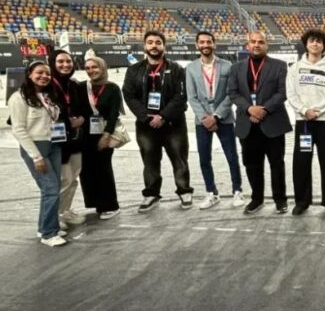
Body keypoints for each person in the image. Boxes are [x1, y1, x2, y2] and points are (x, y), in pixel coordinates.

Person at [123, 31, 193, 212]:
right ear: (145, 46)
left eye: (158, 42)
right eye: (150, 42)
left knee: (179, 159)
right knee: (150, 161)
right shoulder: (134, 70)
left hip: (173, 124)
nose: (154, 45)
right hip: (146, 125)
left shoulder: (176, 69)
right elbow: (129, 96)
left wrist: (163, 116)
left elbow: (181, 96)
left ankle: (184, 190)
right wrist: (147, 117)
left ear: (164, 46)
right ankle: (151, 194)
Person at [228, 31, 292, 215]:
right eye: (253, 42)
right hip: (247, 124)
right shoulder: (236, 68)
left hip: (272, 122)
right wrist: (250, 108)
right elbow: (233, 93)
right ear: (247, 45)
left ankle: (280, 200)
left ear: (267, 45)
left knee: (277, 164)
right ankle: (257, 199)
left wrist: (263, 109)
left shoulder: (279, 66)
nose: (256, 45)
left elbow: (283, 92)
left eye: (261, 42)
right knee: (251, 164)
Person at [9, 61, 67, 246]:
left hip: (54, 144)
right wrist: (36, 156)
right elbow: (18, 129)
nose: (44, 76)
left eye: (47, 74)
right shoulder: (18, 98)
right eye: (39, 73)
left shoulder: (48, 96)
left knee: (52, 189)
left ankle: (45, 227)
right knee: (50, 188)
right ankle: (49, 234)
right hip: (36, 147)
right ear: (29, 74)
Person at [186, 31, 244, 210]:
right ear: (197, 45)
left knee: (232, 156)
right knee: (204, 158)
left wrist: (216, 115)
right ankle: (212, 193)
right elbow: (191, 96)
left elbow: (231, 93)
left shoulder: (227, 66)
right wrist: (205, 117)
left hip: (224, 118)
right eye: (202, 42)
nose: (205, 45)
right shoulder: (191, 68)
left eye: (208, 42)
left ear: (214, 44)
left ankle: (237, 191)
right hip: (202, 120)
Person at [286, 28, 325, 217]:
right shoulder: (294, 68)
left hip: (324, 122)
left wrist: (316, 111)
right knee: (301, 163)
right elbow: (291, 94)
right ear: (306, 44)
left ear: (324, 46)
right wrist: (304, 111)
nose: (315, 44)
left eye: (319, 41)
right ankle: (302, 201)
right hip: (304, 124)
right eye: (312, 40)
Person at [78, 56, 122, 220]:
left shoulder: (112, 88)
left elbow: (114, 114)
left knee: (103, 169)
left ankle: (110, 205)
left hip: (104, 134)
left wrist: (106, 135)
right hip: (85, 135)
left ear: (102, 68)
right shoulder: (82, 87)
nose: (91, 71)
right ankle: (96, 203)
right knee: (87, 170)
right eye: (88, 68)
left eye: (95, 67)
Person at [49, 50, 86, 227]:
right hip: (57, 140)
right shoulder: (47, 85)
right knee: (64, 179)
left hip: (75, 139)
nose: (65, 65)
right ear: (52, 63)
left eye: (68, 61)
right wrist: (66, 122)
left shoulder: (73, 85)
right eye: (60, 62)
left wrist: (82, 118)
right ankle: (54, 216)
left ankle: (65, 210)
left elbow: (82, 108)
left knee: (73, 178)